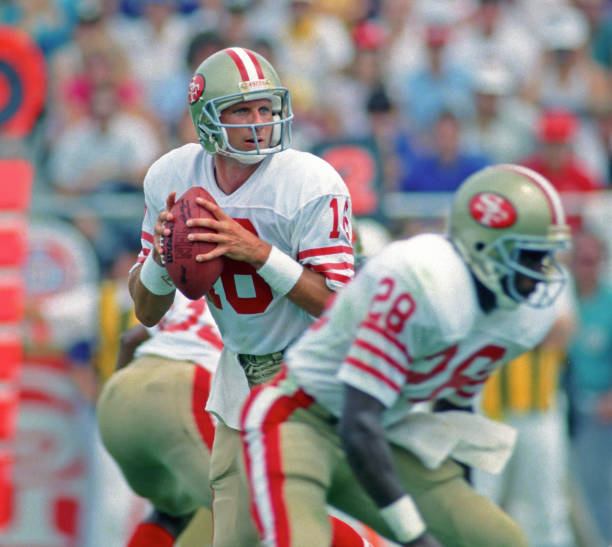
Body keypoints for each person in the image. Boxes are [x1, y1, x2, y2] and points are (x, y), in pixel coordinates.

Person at [240, 163, 572, 547]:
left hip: (385, 429)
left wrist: (457, 508)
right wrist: (415, 536)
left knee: (497, 539)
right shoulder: (423, 279)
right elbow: (356, 421)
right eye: (528, 256)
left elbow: (454, 408)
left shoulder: (524, 316)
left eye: (544, 257)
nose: (540, 273)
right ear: (482, 244)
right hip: (301, 418)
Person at [128, 47, 356, 546]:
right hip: (239, 372)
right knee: (232, 534)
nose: (260, 123)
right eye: (242, 110)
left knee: (302, 525)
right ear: (207, 118)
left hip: (311, 370)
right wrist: (162, 260)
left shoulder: (309, 182)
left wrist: (258, 253)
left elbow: (342, 308)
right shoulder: (171, 176)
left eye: (266, 109)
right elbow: (146, 311)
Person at [97, 292, 223, 547]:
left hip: (118, 396)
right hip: (184, 389)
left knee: (172, 509)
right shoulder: (283, 291)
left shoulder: (192, 290)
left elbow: (129, 340)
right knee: (266, 510)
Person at [567, 229, 612, 545]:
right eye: (581, 260)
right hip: (562, 404)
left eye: (591, 261)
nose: (586, 267)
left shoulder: (608, 304)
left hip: (598, 407)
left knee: (597, 488)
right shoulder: (560, 301)